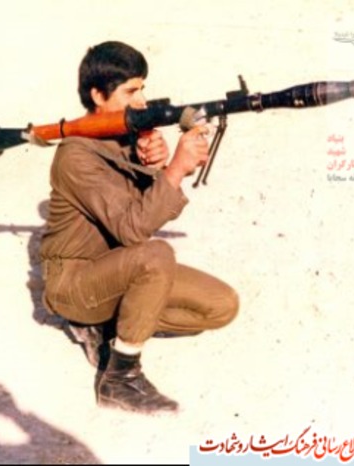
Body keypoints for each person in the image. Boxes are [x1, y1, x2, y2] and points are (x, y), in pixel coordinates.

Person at [38, 41, 239, 415]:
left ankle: (113, 328)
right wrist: (175, 170)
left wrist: (156, 167)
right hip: (74, 283)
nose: (142, 100)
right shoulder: (75, 154)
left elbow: (147, 212)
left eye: (143, 88)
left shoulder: (128, 139)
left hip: (117, 271)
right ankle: (119, 378)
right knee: (156, 254)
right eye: (131, 91)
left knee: (221, 306)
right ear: (98, 95)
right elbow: (134, 231)